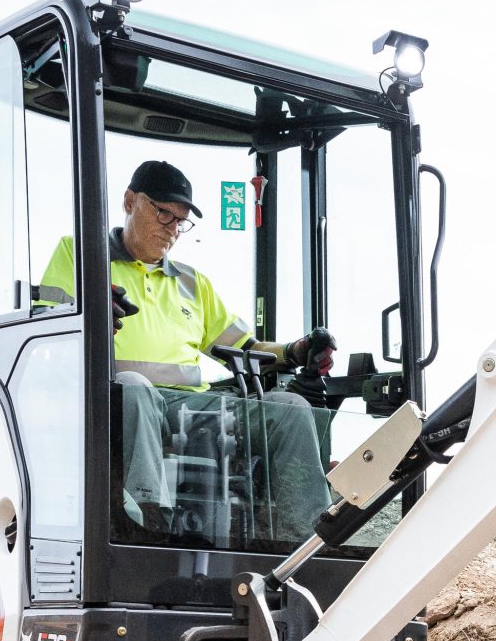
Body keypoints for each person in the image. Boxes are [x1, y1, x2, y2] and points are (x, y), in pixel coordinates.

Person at [41, 160, 333, 543]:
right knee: (133, 386)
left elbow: (246, 348)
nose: (172, 229)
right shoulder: (81, 255)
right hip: (117, 403)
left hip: (192, 408)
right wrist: (91, 317)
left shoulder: (192, 283)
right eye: (164, 213)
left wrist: (295, 351)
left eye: (180, 221)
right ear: (129, 201)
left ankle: (307, 541)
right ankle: (148, 527)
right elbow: (46, 327)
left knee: (289, 409)